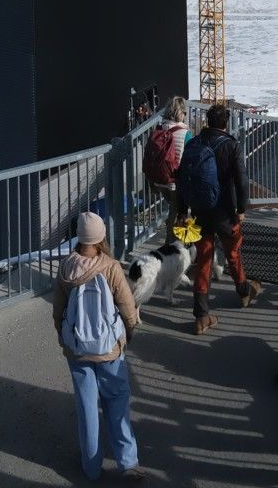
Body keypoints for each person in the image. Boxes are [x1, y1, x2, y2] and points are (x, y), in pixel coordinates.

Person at [55, 211, 158, 483]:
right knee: (117, 402)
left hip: (77, 349)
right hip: (109, 348)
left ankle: (91, 468)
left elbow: (58, 310)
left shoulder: (66, 267)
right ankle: (128, 462)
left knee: (87, 407)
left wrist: (64, 338)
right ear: (101, 236)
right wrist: (128, 333)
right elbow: (126, 306)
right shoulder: (110, 266)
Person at [175, 104, 257, 332]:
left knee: (203, 260)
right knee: (233, 252)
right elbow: (241, 180)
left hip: (200, 211)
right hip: (225, 212)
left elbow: (183, 179)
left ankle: (201, 314)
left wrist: (183, 211)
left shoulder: (194, 144)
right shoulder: (231, 145)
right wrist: (242, 208)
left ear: (207, 122)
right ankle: (243, 292)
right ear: (226, 123)